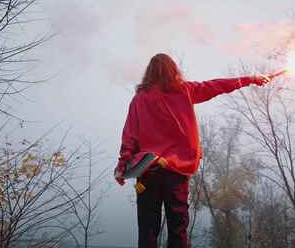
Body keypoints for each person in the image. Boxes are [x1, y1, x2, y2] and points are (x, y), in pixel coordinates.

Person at [114, 53, 272, 248]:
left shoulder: (139, 99)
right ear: (173, 70)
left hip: (147, 172)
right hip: (176, 171)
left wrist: (122, 166)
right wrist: (250, 79)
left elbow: (129, 135)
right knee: (178, 228)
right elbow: (216, 85)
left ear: (149, 72)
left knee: (147, 229)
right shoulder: (184, 91)